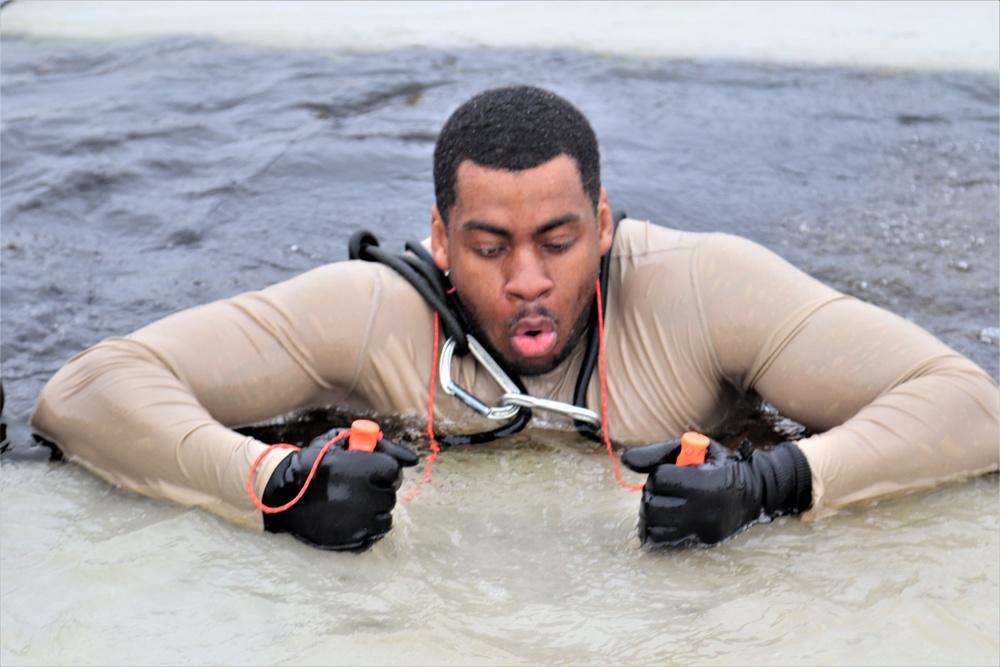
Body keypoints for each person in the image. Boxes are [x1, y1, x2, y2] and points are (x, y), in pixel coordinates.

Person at [31, 85, 999, 552]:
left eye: (560, 239)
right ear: (442, 240)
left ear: (605, 223)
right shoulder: (369, 313)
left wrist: (774, 480)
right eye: (489, 246)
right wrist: (277, 482)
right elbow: (85, 391)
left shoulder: (705, 287)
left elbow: (965, 404)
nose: (528, 278)